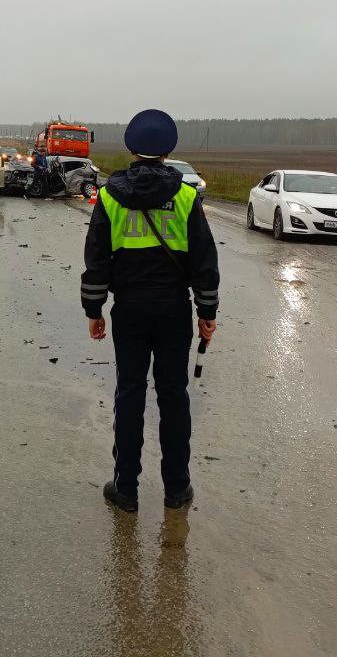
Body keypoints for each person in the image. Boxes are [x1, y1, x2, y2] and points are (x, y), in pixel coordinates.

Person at [81, 109, 219, 514]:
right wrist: (207, 311)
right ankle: (177, 488)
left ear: (131, 149)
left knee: (130, 393)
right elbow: (204, 262)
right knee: (174, 395)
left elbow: (96, 259)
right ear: (167, 151)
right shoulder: (187, 197)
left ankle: (125, 489)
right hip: (174, 309)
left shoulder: (109, 196)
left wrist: (94, 309)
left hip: (129, 310)